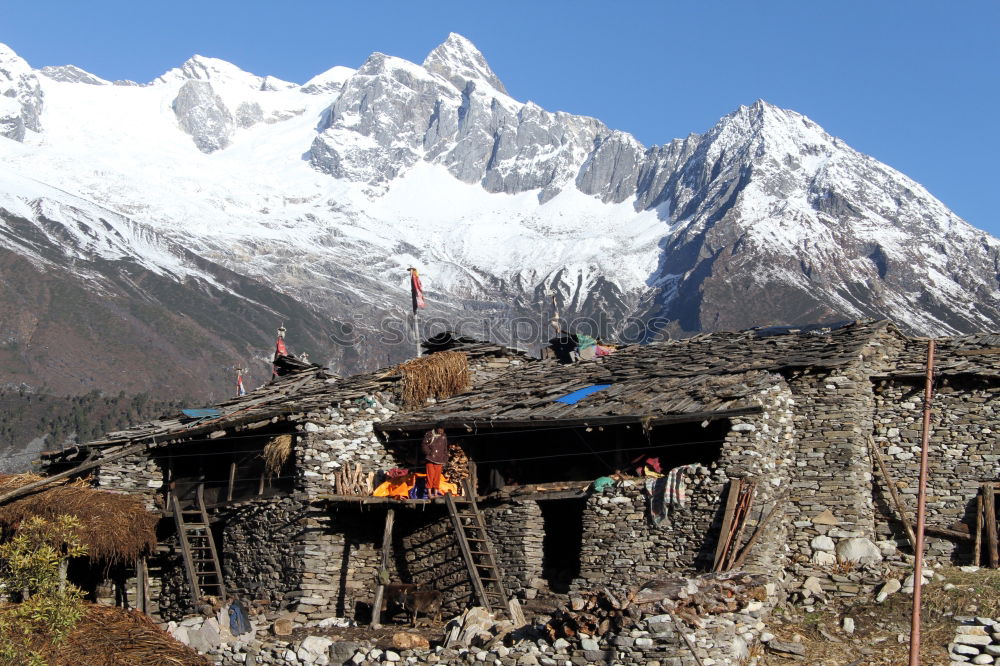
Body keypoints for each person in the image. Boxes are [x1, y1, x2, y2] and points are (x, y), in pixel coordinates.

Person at [421, 423, 449, 498]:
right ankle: (429, 493)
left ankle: (436, 493)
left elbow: (445, 449)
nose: (441, 431)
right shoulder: (429, 434)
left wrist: (445, 459)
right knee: (430, 476)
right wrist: (429, 453)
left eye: (442, 429)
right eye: (440, 429)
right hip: (430, 459)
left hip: (439, 459)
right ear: (437, 428)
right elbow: (424, 445)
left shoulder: (444, 436)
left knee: (437, 477)